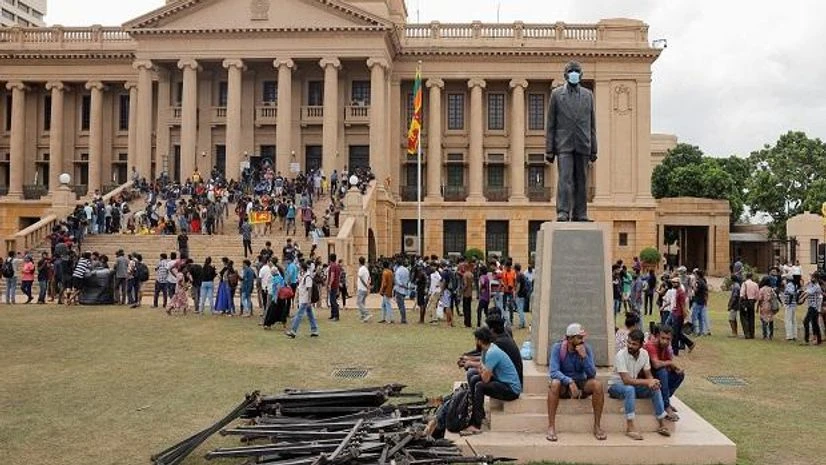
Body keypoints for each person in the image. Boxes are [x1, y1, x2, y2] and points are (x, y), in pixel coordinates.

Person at [545, 60, 597, 222]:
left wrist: (594, 148)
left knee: (582, 180)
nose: (574, 73)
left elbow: (592, 124)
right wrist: (549, 149)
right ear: (565, 75)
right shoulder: (556, 95)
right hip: (564, 144)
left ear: (581, 75)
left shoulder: (588, 95)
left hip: (583, 143)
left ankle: (580, 213)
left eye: (576, 71)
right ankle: (563, 211)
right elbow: (551, 124)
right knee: (565, 179)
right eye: (571, 71)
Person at [608, 329, 673, 440]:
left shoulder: (644, 354)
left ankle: (662, 424)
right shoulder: (621, 355)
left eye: (634, 344)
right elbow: (626, 380)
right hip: (616, 387)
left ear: (641, 344)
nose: (630, 346)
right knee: (629, 389)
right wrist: (648, 382)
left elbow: (648, 375)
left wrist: (653, 382)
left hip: (632, 386)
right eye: (628, 342)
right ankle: (630, 427)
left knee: (655, 388)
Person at [546, 323, 606, 442]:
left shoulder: (586, 349)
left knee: (597, 385)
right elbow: (553, 372)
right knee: (554, 384)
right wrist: (569, 381)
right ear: (569, 339)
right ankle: (551, 426)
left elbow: (591, 374)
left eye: (582, 337)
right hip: (564, 385)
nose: (582, 340)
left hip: (581, 383)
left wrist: (584, 357)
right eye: (579, 337)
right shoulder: (557, 348)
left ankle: (597, 426)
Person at [460, 327, 522, 436]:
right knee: (474, 379)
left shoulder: (492, 353)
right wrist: (472, 364)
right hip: (501, 381)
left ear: (479, 340)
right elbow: (483, 367)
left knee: (480, 385)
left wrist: (481, 369)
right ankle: (478, 414)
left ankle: (476, 425)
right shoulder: (487, 350)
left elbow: (485, 379)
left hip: (511, 389)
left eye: (476, 340)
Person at [644, 325, 684, 419]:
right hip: (647, 376)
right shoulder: (651, 345)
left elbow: (668, 365)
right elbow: (656, 364)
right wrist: (670, 363)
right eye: (662, 338)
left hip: (657, 376)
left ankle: (664, 400)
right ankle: (666, 405)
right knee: (662, 371)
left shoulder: (666, 348)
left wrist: (675, 369)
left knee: (679, 375)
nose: (665, 341)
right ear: (657, 336)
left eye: (668, 339)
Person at [286, 261, 319, 338]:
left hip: (305, 299)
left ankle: (293, 331)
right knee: (310, 315)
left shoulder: (308, 277)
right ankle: (314, 330)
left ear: (302, 268)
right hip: (303, 298)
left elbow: (309, 289)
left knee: (299, 315)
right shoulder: (304, 276)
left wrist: (309, 300)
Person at [670, 277, 694, 355]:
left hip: (679, 315)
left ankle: (675, 351)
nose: (673, 283)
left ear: (679, 283)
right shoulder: (677, 291)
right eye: (672, 282)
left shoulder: (681, 292)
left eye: (675, 282)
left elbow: (683, 306)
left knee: (675, 334)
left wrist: (685, 317)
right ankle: (690, 344)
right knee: (677, 333)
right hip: (675, 313)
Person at [801, 273, 822, 345]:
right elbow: (805, 290)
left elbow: (808, 293)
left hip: (814, 307)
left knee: (806, 322)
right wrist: (801, 295)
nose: (811, 279)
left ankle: (806, 340)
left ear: (816, 279)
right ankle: (818, 339)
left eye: (812, 277)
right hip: (811, 306)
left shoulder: (816, 286)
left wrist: (802, 299)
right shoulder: (811, 285)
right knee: (815, 324)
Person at [739, 272, 759, 339]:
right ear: (752, 277)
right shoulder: (755, 284)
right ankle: (752, 333)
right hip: (752, 302)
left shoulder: (744, 284)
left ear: (746, 277)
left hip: (745, 301)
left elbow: (741, 294)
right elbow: (757, 295)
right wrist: (754, 301)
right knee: (751, 318)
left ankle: (747, 333)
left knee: (744, 318)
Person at [691, 269, 710, 336]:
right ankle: (702, 331)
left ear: (698, 275)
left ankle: (695, 331)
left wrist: (693, 285)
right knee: (700, 317)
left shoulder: (698, 282)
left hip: (697, 301)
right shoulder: (703, 281)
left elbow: (696, 290)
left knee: (694, 316)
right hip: (702, 301)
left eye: (695, 274)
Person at [394, 259, 410, 324]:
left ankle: (403, 319)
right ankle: (403, 318)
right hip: (405, 290)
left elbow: (398, 282)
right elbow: (408, 279)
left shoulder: (398, 271)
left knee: (401, 305)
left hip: (399, 290)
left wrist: (403, 286)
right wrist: (406, 286)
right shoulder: (406, 270)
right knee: (402, 304)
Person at [782, 277, 798, 341]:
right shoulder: (795, 285)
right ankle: (794, 335)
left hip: (789, 305)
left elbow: (791, 292)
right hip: (793, 304)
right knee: (793, 320)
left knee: (788, 320)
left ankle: (789, 336)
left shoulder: (789, 285)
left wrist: (786, 286)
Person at [326, 253, 341, 321]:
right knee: (332, 300)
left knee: (333, 300)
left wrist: (329, 284)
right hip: (336, 285)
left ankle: (336, 315)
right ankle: (332, 314)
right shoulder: (337, 266)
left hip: (333, 285)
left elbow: (332, 276)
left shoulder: (332, 266)